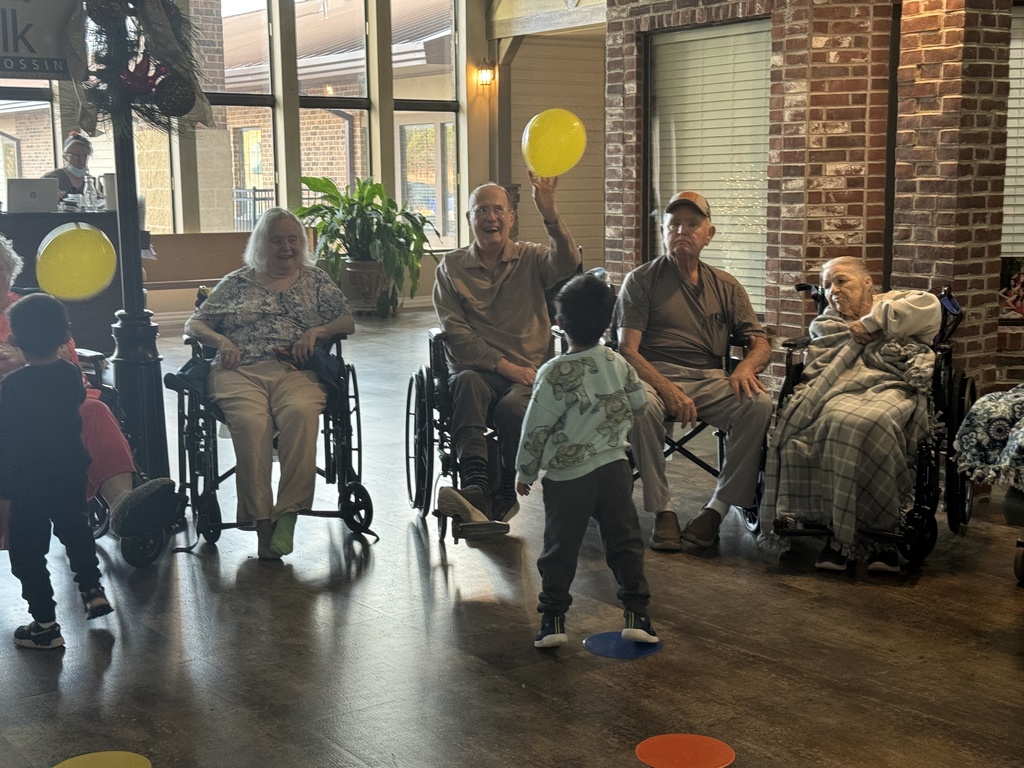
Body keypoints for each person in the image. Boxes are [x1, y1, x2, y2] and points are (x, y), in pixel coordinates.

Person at [185, 207, 354, 560]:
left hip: (296, 369)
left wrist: (316, 331)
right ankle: (262, 523)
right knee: (250, 423)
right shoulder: (237, 283)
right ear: (262, 244)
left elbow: (346, 321)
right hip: (239, 370)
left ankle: (288, 512)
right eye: (277, 240)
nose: (286, 248)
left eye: (293, 240)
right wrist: (222, 341)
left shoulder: (316, 280)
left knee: (301, 413)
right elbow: (195, 324)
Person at [758, 257, 941, 573]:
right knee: (831, 423)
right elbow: (820, 370)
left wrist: (871, 324)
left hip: (891, 387)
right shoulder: (825, 325)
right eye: (827, 285)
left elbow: (932, 308)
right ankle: (837, 533)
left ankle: (880, 537)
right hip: (836, 391)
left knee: (872, 421)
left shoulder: (896, 304)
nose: (833, 290)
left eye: (841, 280)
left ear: (868, 282)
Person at [615, 191, 773, 552]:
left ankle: (717, 509)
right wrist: (667, 389)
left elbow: (760, 343)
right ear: (662, 231)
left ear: (709, 234)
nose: (682, 231)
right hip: (653, 375)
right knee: (642, 406)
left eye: (692, 224)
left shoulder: (727, 285)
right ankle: (663, 509)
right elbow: (627, 350)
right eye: (674, 224)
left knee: (758, 404)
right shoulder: (641, 280)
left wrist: (745, 368)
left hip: (709, 378)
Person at [515, 274, 656, 648]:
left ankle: (553, 621)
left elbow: (535, 428)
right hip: (615, 469)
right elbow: (640, 403)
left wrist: (525, 471)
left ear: (559, 323)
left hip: (568, 478)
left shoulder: (552, 373)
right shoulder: (617, 361)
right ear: (607, 322)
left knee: (560, 548)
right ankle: (638, 615)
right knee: (625, 542)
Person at [433, 173, 581, 527]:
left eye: (498, 210)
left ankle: (504, 488)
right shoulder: (451, 267)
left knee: (514, 407)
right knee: (466, 384)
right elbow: (456, 333)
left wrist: (550, 214)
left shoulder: (532, 258)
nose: (491, 217)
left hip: (527, 372)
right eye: (481, 210)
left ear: (511, 217)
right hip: (477, 369)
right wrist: (504, 366)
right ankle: (475, 486)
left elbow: (568, 264)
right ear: (469, 218)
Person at [0, 235, 169, 533]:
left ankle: (123, 505)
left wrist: (24, 357)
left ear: (10, 272)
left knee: (95, 411)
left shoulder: (31, 308)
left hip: (55, 402)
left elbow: (66, 353)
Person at [0, 293, 114, 650]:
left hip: (28, 482)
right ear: (65, 335)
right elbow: (77, 401)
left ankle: (45, 627)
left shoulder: (11, 387)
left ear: (14, 339)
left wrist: (5, 492)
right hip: (69, 471)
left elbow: (8, 442)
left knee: (28, 553)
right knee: (77, 532)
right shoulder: (70, 373)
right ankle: (92, 590)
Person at [44, 132, 92, 200]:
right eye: (76, 156)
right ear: (65, 157)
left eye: (84, 156)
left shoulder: (91, 181)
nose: (80, 160)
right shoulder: (50, 179)